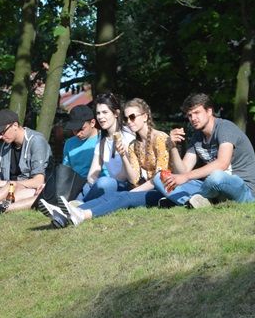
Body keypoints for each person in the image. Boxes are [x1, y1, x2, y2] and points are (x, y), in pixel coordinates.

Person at [39, 98, 169, 227]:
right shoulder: (124, 143)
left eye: (132, 117)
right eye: (99, 113)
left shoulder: (148, 138)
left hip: (152, 189)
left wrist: (130, 188)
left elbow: (157, 178)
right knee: (102, 189)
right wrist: (124, 157)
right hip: (134, 186)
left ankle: (79, 212)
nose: (129, 122)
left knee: (110, 187)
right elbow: (133, 177)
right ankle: (65, 213)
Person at [153, 92, 255, 207]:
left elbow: (222, 163)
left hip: (242, 189)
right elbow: (183, 171)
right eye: (189, 115)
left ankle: (190, 200)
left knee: (216, 177)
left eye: (197, 113)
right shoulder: (197, 137)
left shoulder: (225, 128)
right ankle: (194, 202)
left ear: (209, 111)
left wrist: (185, 177)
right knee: (159, 178)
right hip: (212, 189)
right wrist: (172, 146)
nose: (193, 118)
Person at [76, 92, 135, 202]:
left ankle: (78, 205)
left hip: (126, 186)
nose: (100, 117)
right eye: (98, 113)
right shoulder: (102, 138)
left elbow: (124, 176)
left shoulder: (128, 136)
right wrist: (94, 184)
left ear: (116, 113)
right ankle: (69, 206)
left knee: (103, 183)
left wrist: (99, 185)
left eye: (105, 112)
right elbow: (92, 173)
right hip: (109, 184)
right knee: (86, 185)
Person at [62, 104, 99, 178]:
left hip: (97, 183)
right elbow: (66, 170)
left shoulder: (103, 139)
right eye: (74, 130)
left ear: (92, 123)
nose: (78, 134)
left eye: (81, 129)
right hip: (75, 185)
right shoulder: (69, 143)